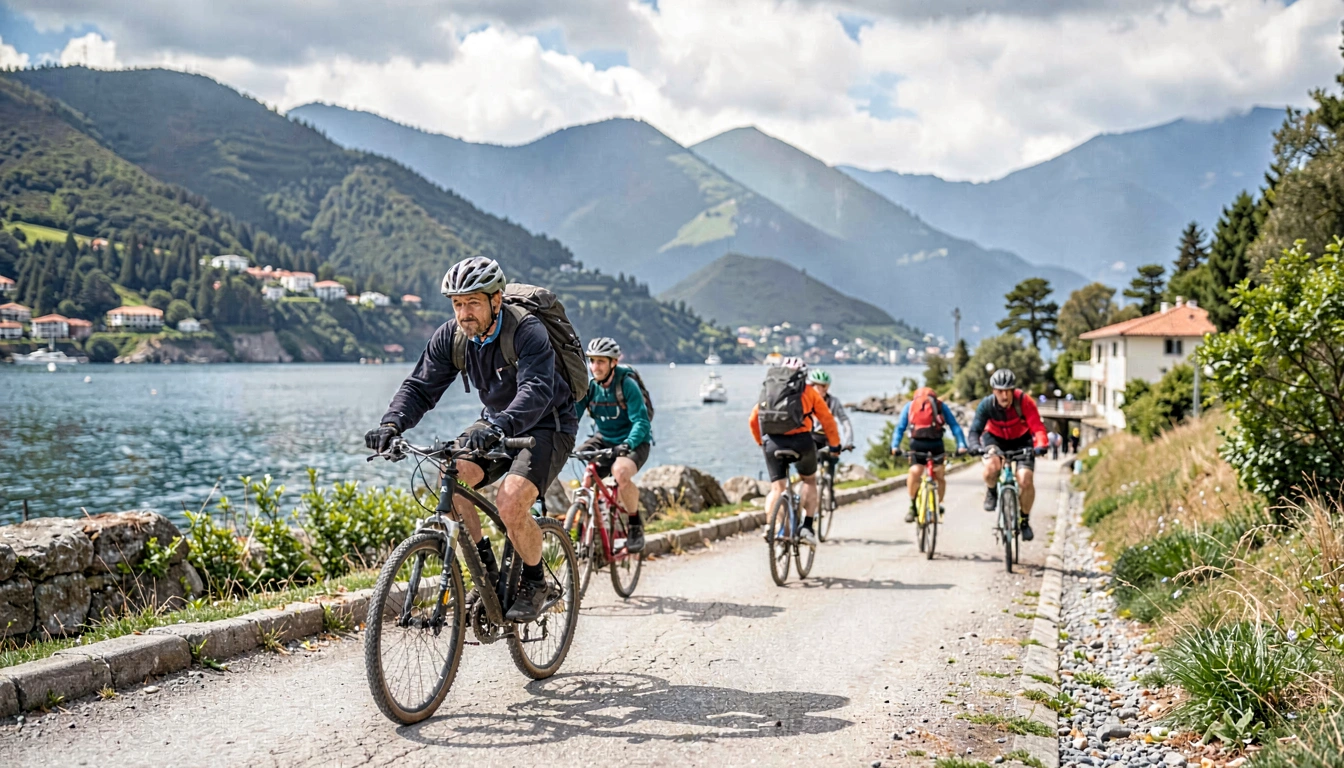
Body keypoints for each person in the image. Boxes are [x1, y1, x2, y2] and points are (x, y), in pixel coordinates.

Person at [365, 257, 578, 623]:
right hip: (494, 424)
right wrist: (392, 424)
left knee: (511, 503)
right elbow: (420, 387)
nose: (464, 313)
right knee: (452, 478)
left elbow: (537, 389)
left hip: (548, 425)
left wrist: (500, 426)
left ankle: (536, 581)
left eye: (473, 302)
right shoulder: (453, 336)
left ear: (496, 300)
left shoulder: (526, 331)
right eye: (457, 303)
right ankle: (488, 575)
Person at [748, 358, 842, 549]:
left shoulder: (770, 390)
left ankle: (771, 526)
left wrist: (761, 441)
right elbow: (828, 421)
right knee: (809, 481)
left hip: (773, 443)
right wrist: (835, 446)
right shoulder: (808, 392)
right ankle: (807, 526)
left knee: (777, 488)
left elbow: (753, 419)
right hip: (802, 442)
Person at [573, 337, 652, 553]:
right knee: (583, 465)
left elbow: (641, 421)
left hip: (635, 440)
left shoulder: (627, 385)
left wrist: (628, 444)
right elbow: (573, 417)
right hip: (606, 438)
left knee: (620, 471)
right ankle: (586, 529)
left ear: (613, 363)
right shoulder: (590, 387)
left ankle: (635, 524)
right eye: (592, 361)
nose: (595, 367)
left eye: (600, 362)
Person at [967, 369, 1049, 541]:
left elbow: (1037, 427)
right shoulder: (986, 405)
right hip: (994, 439)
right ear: (993, 391)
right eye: (1000, 391)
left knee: (1025, 479)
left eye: (1008, 391)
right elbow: (975, 430)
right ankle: (991, 492)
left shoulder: (1024, 401)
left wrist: (1041, 444)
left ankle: (1024, 520)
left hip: (1021, 439)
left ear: (1013, 390)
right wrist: (974, 445)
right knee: (991, 468)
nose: (1004, 395)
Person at [890, 386, 968, 523]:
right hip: (936, 445)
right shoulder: (940, 406)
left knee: (915, 472)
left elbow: (900, 428)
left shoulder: (910, 406)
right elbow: (954, 426)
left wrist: (895, 446)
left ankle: (913, 506)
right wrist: (961, 445)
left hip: (916, 445)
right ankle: (938, 505)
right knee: (940, 476)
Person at [806, 369, 855, 480]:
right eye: (821, 386)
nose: (824, 389)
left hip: (828, 437)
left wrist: (848, 441)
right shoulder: (806, 401)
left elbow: (844, 420)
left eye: (826, 386)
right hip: (811, 436)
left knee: (832, 459)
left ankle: (830, 489)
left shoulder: (833, 401)